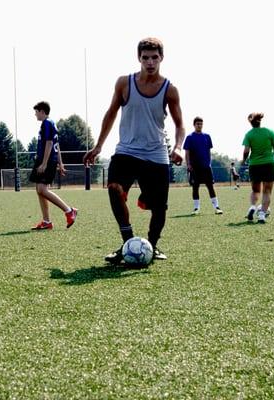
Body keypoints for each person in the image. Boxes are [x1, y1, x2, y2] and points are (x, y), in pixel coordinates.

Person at [83, 37, 185, 264]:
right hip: (126, 151)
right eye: (145, 57)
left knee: (159, 209)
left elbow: (180, 124)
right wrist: (98, 145)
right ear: (138, 58)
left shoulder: (170, 90)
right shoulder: (124, 83)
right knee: (113, 188)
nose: (150, 62)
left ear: (162, 58)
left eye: (154, 57)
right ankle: (128, 242)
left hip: (156, 154)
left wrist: (178, 147)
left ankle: (152, 245)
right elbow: (110, 113)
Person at [29, 101, 78, 230]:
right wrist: (60, 163)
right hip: (47, 160)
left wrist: (44, 163)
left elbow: (50, 144)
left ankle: (69, 211)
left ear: (42, 111)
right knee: (39, 190)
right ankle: (46, 222)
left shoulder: (47, 123)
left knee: (42, 190)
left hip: (47, 160)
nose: (35, 114)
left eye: (36, 111)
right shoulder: (50, 124)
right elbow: (57, 145)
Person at [241, 112, 274, 224]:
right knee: (267, 191)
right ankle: (262, 214)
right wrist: (272, 153)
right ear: (260, 121)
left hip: (254, 164)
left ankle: (253, 207)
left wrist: (244, 160)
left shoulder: (249, 134)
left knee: (255, 190)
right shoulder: (269, 132)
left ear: (251, 123)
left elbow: (246, 151)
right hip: (269, 163)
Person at [183, 117, 223, 215]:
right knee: (195, 187)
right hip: (194, 167)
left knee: (210, 186)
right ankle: (196, 208)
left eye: (201, 124)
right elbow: (187, 152)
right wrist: (188, 164)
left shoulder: (207, 136)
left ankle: (217, 207)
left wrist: (209, 162)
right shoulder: (189, 137)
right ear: (194, 125)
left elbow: (209, 151)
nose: (199, 125)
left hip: (206, 167)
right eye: (197, 124)